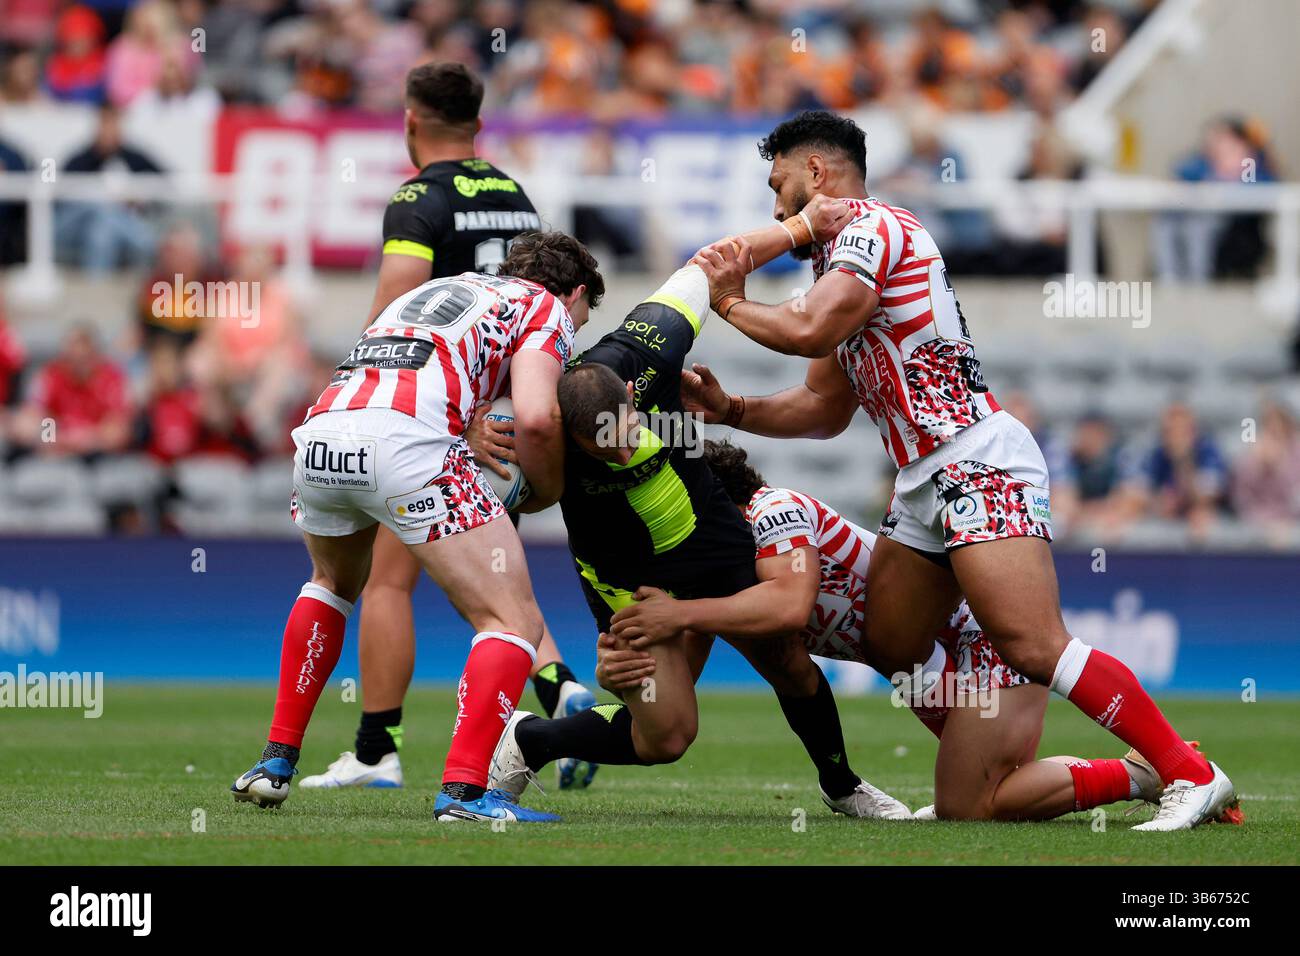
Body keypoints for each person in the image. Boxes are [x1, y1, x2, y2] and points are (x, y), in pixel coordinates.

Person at [686, 110, 1234, 831]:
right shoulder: (836, 262)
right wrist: (734, 410)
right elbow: (823, 406)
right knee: (893, 640)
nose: (774, 201)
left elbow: (810, 329)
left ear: (816, 173)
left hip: (974, 455)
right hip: (923, 478)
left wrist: (726, 299)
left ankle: (1190, 774)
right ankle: (994, 728)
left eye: (778, 181)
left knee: (1033, 642)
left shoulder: (873, 231)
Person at [608, 441, 1244, 825]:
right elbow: (678, 696)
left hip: (980, 641)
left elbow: (785, 607)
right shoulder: (721, 569)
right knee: (986, 796)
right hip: (924, 662)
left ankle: (1150, 774)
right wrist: (631, 680)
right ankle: (1151, 770)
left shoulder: (773, 512)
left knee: (971, 804)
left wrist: (681, 615)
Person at [475, 257, 909, 820]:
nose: (625, 447)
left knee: (787, 656)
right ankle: (532, 740)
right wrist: (471, 426)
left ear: (633, 393)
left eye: (627, 427)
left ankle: (841, 783)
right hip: (623, 579)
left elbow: (709, 264)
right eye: (605, 448)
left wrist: (798, 231)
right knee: (667, 734)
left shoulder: (650, 348)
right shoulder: (542, 428)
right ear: (565, 436)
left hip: (710, 543)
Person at [230, 230, 604, 824]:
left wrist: (469, 416)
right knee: (514, 619)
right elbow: (535, 416)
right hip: (407, 444)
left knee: (329, 582)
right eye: (583, 317)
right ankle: (462, 795)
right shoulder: (547, 306)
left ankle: (275, 763)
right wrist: (551, 490)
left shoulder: (444, 287)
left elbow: (422, 364)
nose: (574, 332)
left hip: (326, 430)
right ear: (577, 292)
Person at [298, 62, 600, 795]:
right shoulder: (512, 192)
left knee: (387, 586)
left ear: (409, 121)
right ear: (478, 122)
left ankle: (378, 749)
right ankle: (562, 695)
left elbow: (393, 312)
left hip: (435, 418)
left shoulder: (416, 197)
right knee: (498, 589)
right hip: (506, 410)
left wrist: (377, 398)